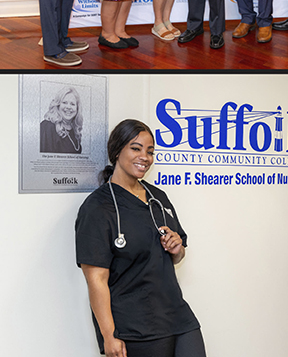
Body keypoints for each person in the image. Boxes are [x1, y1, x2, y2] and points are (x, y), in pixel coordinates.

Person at [75, 119, 206, 357]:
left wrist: (177, 249)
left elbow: (176, 256)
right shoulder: (98, 208)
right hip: (135, 326)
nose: (144, 157)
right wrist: (109, 336)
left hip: (177, 316)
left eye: (150, 151)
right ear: (117, 151)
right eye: (136, 148)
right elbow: (96, 279)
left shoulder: (158, 197)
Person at [40, 85, 83, 154]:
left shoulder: (75, 131)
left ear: (77, 108)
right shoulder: (47, 126)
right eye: (64, 102)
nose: (68, 107)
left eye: (72, 104)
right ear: (58, 105)